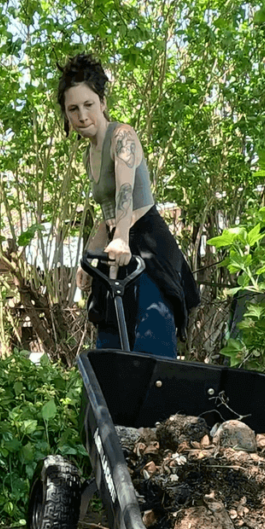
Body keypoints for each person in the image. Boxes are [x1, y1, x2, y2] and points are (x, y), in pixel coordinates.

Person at [56, 53, 200, 358]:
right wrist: (88, 259)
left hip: (147, 247)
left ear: (102, 102)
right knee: (111, 349)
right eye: (73, 109)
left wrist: (121, 237)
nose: (82, 116)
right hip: (116, 250)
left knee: (151, 348)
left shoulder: (122, 136)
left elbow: (125, 189)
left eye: (88, 104)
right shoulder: (89, 155)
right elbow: (106, 214)